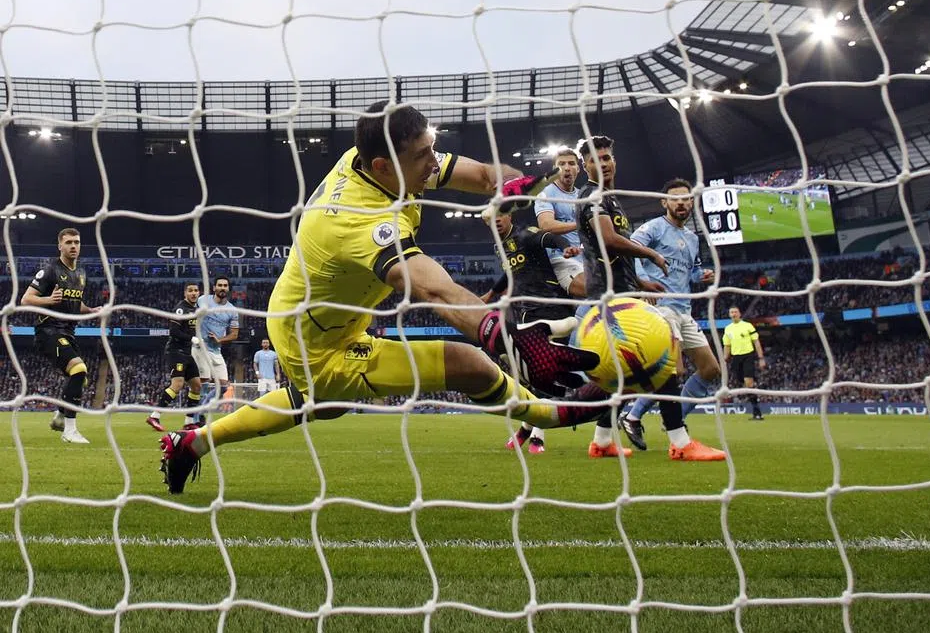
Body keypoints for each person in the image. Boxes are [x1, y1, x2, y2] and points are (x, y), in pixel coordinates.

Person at [159, 102, 600, 494]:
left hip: (329, 315)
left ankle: (190, 443)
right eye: (423, 155)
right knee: (469, 364)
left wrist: (515, 184)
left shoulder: (390, 163)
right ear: (382, 166)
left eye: (432, 148)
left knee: (321, 405)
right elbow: (431, 287)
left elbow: (486, 175)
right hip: (311, 341)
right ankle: (554, 414)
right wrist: (507, 338)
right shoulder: (358, 218)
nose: (434, 162)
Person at [575, 137, 724, 461]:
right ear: (586, 166)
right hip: (611, 296)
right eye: (595, 159)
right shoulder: (592, 196)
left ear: (614, 161)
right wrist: (650, 254)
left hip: (625, 291)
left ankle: (601, 440)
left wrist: (640, 281)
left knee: (626, 372)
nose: (603, 164)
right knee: (662, 362)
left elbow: (615, 253)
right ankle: (680, 442)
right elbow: (608, 240)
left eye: (607, 157)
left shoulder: (611, 199)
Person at [617, 179, 722, 448]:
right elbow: (629, 252)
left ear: (691, 202)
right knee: (671, 370)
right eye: (675, 199)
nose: (681, 203)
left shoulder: (692, 238)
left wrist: (702, 276)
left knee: (710, 369)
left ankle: (675, 418)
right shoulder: (653, 228)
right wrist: (641, 282)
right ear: (664, 202)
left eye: (686, 198)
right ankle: (634, 416)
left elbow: (691, 271)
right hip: (660, 308)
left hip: (684, 310)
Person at [481, 210, 581, 455]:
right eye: (491, 218)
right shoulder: (500, 247)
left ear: (509, 216)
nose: (496, 220)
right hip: (526, 311)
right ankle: (529, 430)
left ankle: (535, 434)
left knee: (544, 372)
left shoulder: (525, 235)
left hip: (552, 307)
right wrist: (491, 294)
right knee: (538, 373)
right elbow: (510, 274)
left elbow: (549, 237)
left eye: (501, 215)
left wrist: (566, 247)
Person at [20, 228, 99, 444]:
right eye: (69, 242)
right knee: (79, 369)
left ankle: (60, 416)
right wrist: (48, 300)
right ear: (60, 246)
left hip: (69, 332)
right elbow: (26, 299)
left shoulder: (80, 273)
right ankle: (69, 431)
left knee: (81, 379)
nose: (73, 246)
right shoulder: (50, 271)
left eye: (77, 242)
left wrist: (91, 310)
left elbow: (75, 303)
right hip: (48, 331)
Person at [146, 283, 205, 432]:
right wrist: (191, 338)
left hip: (187, 352)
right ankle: (154, 416)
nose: (193, 293)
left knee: (196, 386)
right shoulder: (181, 308)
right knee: (177, 384)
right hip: (176, 351)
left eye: (196, 290)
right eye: (190, 291)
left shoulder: (196, 310)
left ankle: (189, 422)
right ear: (185, 293)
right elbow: (173, 331)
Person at [533, 147, 586, 298]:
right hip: (561, 258)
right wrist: (580, 224)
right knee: (596, 289)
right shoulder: (546, 193)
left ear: (578, 169)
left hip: (585, 258)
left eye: (571, 163)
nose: (567, 168)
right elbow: (546, 225)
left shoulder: (582, 196)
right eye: (561, 164)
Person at [193, 276, 240, 420]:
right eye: (220, 285)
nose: (222, 288)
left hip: (216, 350)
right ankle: (196, 418)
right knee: (205, 382)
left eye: (225, 285)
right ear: (214, 288)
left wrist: (220, 340)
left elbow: (234, 334)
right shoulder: (203, 300)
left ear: (228, 289)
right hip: (200, 347)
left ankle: (200, 410)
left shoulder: (232, 310)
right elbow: (190, 312)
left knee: (224, 386)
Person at [723, 306, 766, 420]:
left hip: (748, 356)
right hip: (736, 358)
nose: (733, 314)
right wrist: (724, 359)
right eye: (731, 312)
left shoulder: (747, 326)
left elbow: (756, 342)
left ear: (739, 314)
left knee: (748, 383)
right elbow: (727, 345)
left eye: (735, 312)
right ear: (729, 315)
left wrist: (761, 358)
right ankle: (753, 385)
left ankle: (757, 413)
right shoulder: (728, 329)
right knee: (741, 381)